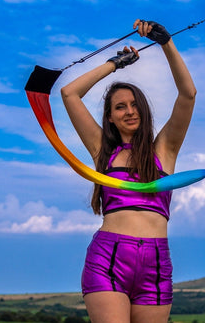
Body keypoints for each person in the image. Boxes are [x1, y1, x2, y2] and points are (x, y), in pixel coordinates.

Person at [60, 19, 196, 323]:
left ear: (143, 110)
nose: (129, 111)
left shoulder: (165, 150)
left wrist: (166, 43)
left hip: (157, 264)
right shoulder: (102, 151)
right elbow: (69, 94)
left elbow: (188, 95)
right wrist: (115, 64)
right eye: (120, 107)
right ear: (109, 117)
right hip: (109, 259)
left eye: (134, 104)